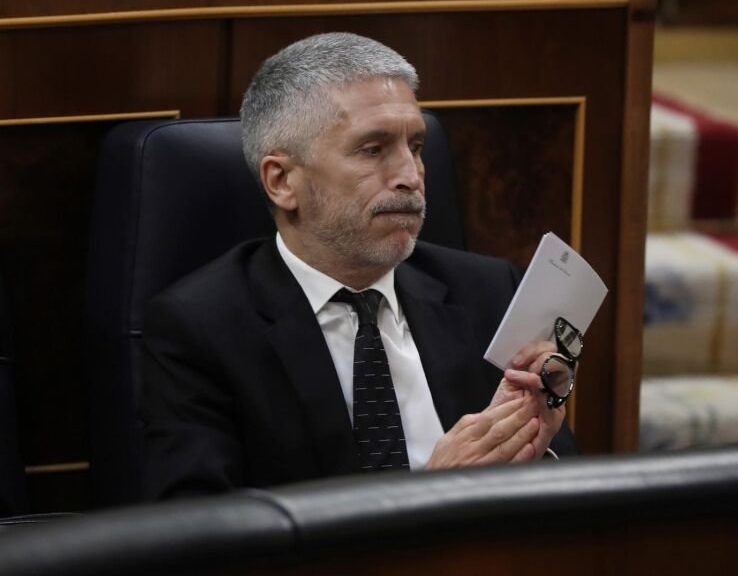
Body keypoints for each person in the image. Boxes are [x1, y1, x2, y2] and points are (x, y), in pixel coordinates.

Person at [141, 32, 577, 500]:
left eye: (416, 147)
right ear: (282, 181)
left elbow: (569, 490)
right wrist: (431, 496)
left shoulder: (487, 291)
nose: (410, 176)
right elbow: (203, 527)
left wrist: (536, 446)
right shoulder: (202, 329)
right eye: (373, 149)